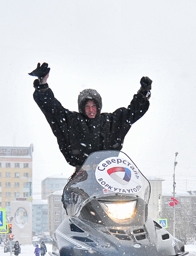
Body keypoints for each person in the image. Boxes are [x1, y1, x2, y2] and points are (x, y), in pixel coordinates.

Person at [31, 63, 151, 208]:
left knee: (124, 207)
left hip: (109, 178)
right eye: (87, 107)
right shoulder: (73, 121)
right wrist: (42, 85)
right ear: (81, 107)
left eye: (94, 106)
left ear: (99, 106)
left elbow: (132, 113)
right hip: (82, 179)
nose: (91, 110)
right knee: (73, 206)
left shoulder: (110, 121)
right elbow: (53, 110)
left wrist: (143, 93)